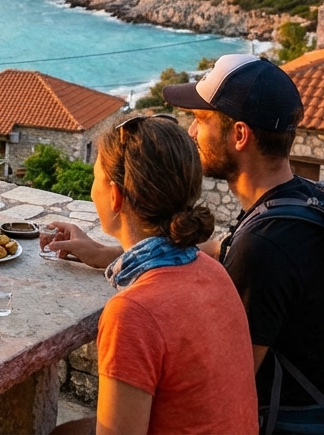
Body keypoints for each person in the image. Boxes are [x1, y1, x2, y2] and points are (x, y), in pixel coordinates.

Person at [52, 54, 324, 433]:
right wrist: (104, 253)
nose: (192, 132)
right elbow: (212, 249)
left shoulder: (261, 249)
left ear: (240, 135)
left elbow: (221, 391)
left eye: (201, 119)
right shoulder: (296, 205)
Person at [52, 115, 257, 435]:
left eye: (95, 178)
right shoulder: (213, 272)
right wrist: (100, 253)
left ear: (115, 196)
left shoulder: (132, 313)